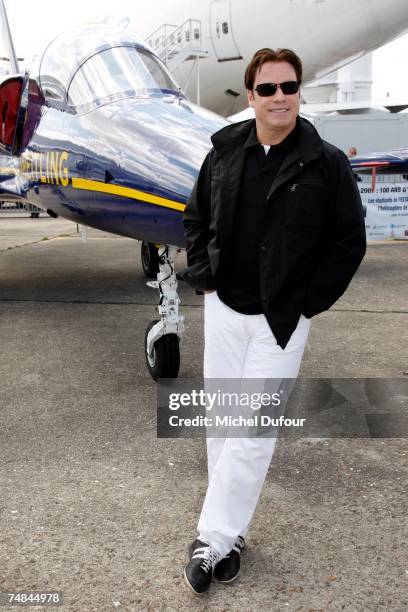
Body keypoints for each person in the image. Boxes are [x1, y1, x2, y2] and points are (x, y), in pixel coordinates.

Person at [178, 47, 366, 595]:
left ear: (300, 92)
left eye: (288, 87)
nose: (278, 97)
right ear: (251, 94)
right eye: (267, 89)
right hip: (224, 307)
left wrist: (309, 302)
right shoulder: (225, 153)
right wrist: (206, 275)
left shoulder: (325, 161)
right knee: (222, 422)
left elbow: (347, 241)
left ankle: (210, 538)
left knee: (252, 431)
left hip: (281, 320)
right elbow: (195, 218)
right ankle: (231, 536)